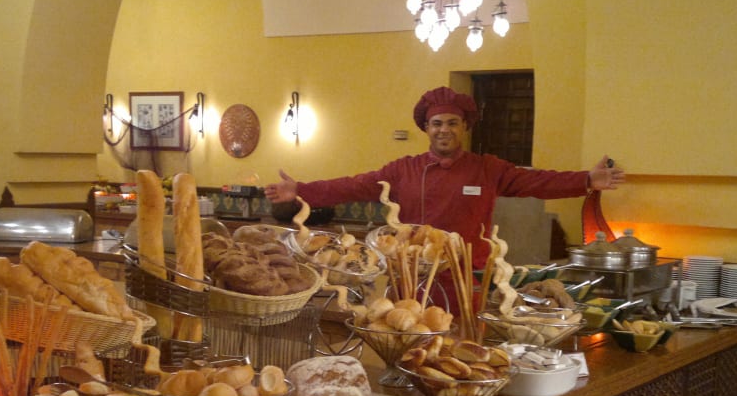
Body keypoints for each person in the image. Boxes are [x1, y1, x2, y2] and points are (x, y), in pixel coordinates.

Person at [264, 86, 625, 270]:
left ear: (464, 127)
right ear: (426, 128)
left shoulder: (488, 169)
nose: (444, 130)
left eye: (452, 123)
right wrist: (301, 190)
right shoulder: (402, 170)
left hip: (469, 275)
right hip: (413, 274)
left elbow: (538, 182)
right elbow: (352, 186)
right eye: (437, 123)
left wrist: (586, 180)